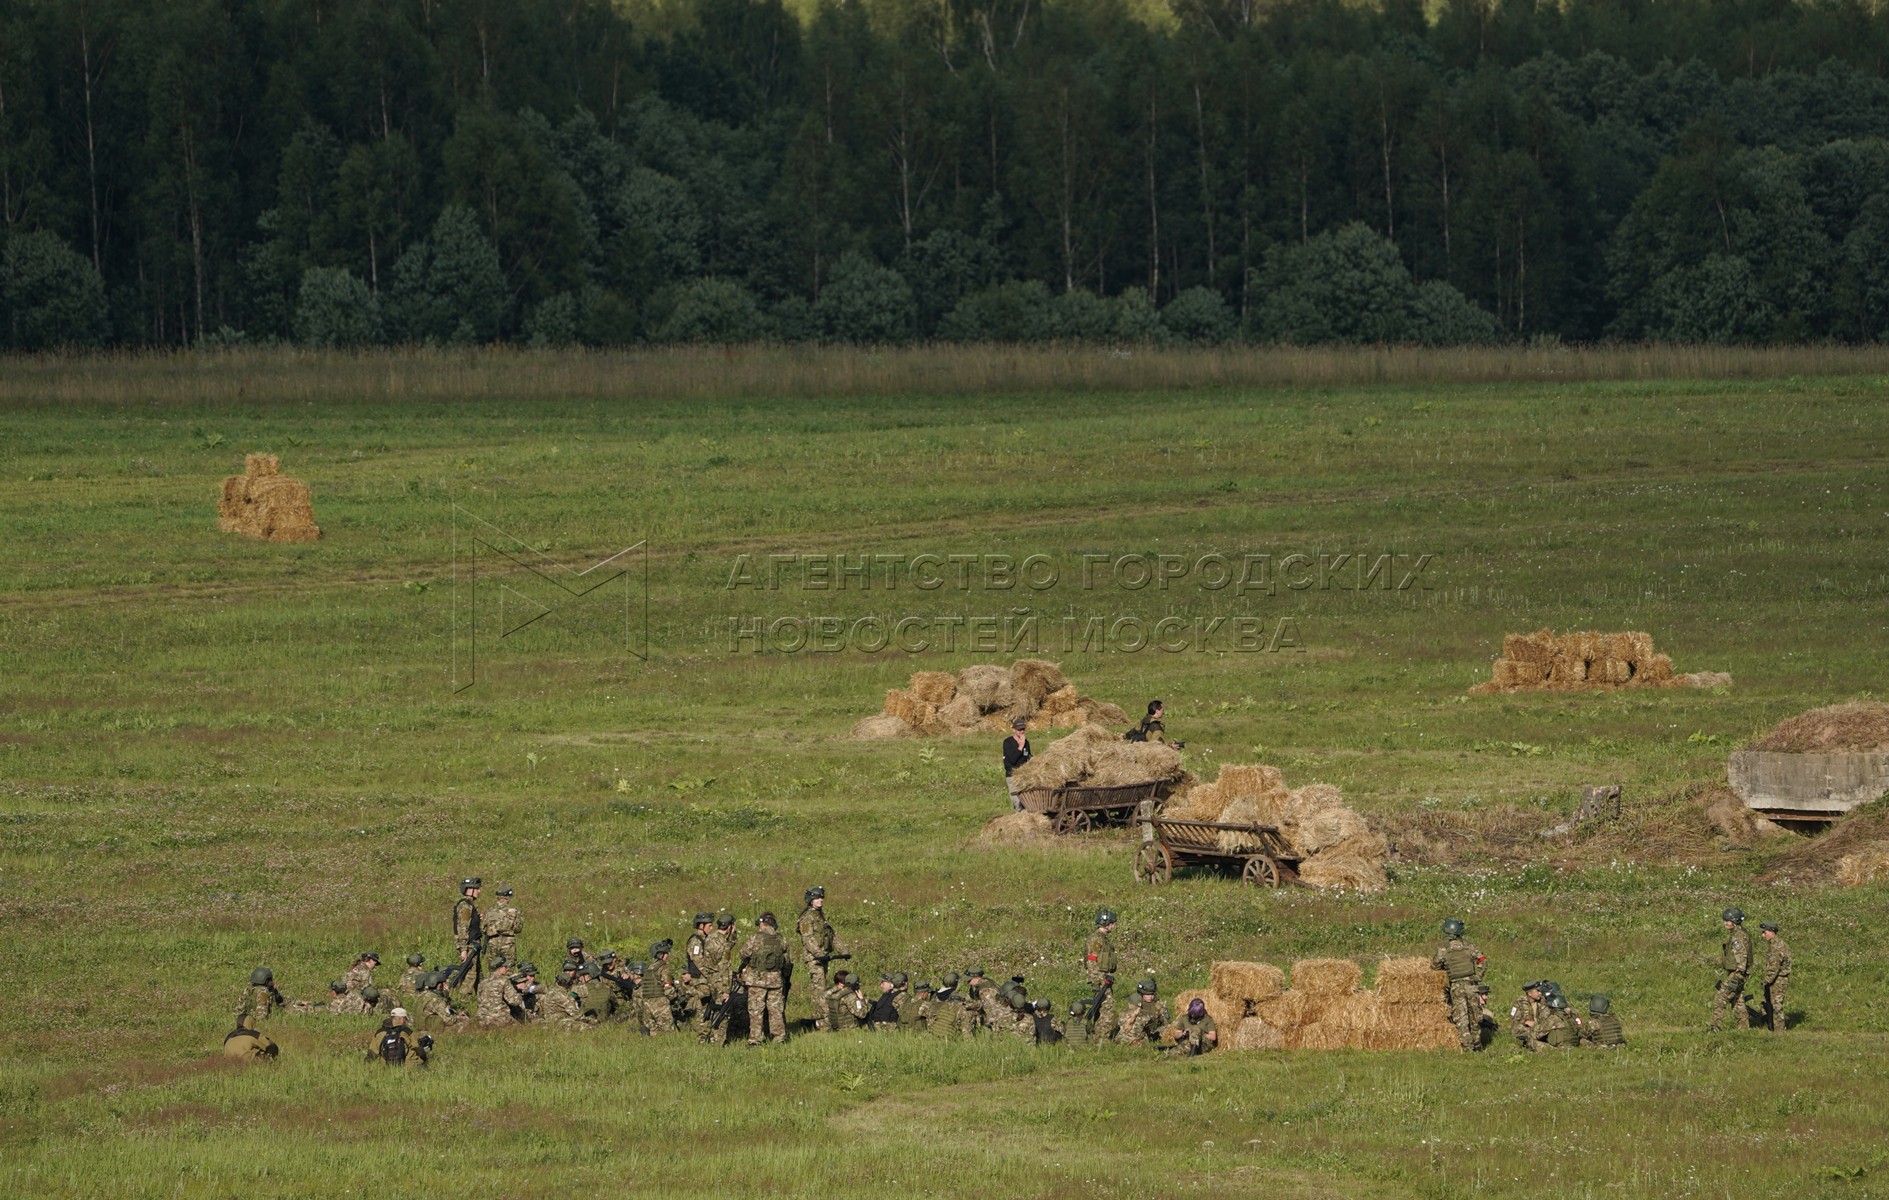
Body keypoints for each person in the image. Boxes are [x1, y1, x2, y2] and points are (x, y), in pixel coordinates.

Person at [1431, 918, 1487, 1052]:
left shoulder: (1443, 950)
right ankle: (1477, 1045)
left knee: (1461, 1018)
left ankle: (1468, 1048)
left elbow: (1434, 966)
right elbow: (1482, 961)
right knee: (1475, 1016)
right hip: (1472, 985)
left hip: (1456, 987)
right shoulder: (1469, 946)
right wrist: (1478, 976)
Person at [796, 887, 845, 1031]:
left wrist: (844, 950)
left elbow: (832, 935)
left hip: (823, 957)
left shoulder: (821, 916)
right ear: (811, 900)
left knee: (822, 987)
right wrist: (818, 953)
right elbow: (807, 939)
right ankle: (823, 1019)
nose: (820, 900)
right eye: (817, 898)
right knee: (820, 989)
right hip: (815, 959)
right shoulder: (806, 918)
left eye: (821, 897)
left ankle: (821, 1018)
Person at [739, 912, 791, 1045]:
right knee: (776, 1010)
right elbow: (786, 962)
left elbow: (743, 954)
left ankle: (755, 1039)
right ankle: (779, 1038)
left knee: (756, 1010)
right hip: (775, 980)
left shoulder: (755, 938)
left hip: (757, 980)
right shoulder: (781, 939)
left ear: (763, 924)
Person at [1712, 907, 1753, 1031]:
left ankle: (1715, 1027)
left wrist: (1738, 975)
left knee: (1720, 998)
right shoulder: (1738, 934)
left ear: (1734, 921)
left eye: (1727, 920)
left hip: (1737, 973)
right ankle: (1744, 1029)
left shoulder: (1738, 937)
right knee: (1738, 1001)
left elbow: (1742, 957)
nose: (1725, 923)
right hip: (1738, 973)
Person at [1084, 909, 1120, 1040]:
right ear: (1105, 923)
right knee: (1108, 1010)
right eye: (1112, 923)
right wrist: (1098, 981)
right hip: (1101, 981)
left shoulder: (1103, 939)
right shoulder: (1096, 940)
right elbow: (1092, 961)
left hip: (1105, 979)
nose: (1113, 926)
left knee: (1102, 1009)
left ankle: (1098, 1036)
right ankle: (1101, 1039)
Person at [366, 1008, 433, 1067]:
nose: (405, 1021)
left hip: (385, 1067)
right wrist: (425, 1059)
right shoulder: (407, 1031)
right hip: (408, 1067)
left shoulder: (380, 1032)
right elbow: (417, 1048)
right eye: (405, 1019)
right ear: (401, 1018)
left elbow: (372, 1052)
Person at [452, 877, 484, 990]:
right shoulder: (465, 906)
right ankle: (463, 1000)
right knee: (469, 976)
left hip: (474, 944)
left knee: (478, 975)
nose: (479, 891)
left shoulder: (470, 905)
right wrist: (464, 949)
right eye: (477, 889)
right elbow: (462, 927)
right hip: (469, 945)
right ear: (469, 890)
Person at [1760, 921, 1792, 1032]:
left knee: (1776, 1005)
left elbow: (1774, 967)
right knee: (1770, 1004)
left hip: (1778, 980)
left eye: (1765, 932)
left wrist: (1766, 981)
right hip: (1779, 978)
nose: (1763, 935)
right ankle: (1772, 1025)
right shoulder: (1779, 944)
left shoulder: (1776, 947)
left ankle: (1779, 1030)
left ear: (1772, 932)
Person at [1116, 978, 1168, 1046]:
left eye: (1152, 994)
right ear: (1141, 993)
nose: (1150, 997)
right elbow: (1126, 1019)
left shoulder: (1157, 1004)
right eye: (1147, 994)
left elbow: (1166, 1021)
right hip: (1135, 1030)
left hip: (1152, 1029)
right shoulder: (1135, 1001)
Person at [644, 940, 680, 1033]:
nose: (668, 955)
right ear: (661, 955)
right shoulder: (664, 968)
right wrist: (675, 999)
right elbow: (667, 987)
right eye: (666, 953)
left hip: (647, 1003)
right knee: (668, 1033)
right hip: (660, 1003)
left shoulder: (649, 968)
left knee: (654, 1033)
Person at [476, 960, 525, 1027]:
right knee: (521, 1028)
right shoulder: (504, 981)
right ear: (499, 968)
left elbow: (479, 1002)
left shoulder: (482, 983)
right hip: (500, 1018)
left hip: (482, 1018)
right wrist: (520, 994)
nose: (507, 969)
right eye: (505, 967)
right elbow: (514, 1001)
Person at [484, 886, 522, 968]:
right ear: (508, 897)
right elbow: (518, 928)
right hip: (508, 943)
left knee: (493, 969)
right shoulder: (513, 911)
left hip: (492, 942)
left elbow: (483, 928)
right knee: (508, 970)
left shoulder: (489, 911)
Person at [1003, 718, 1032, 810]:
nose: (1021, 731)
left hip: (1024, 775)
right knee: (1017, 802)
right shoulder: (1008, 742)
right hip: (1013, 776)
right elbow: (1012, 759)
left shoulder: (1026, 742)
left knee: (1027, 802)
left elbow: (1028, 757)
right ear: (1014, 730)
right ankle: (1018, 821)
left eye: (1023, 729)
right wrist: (1020, 746)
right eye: (1019, 730)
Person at [1510, 981, 1547, 1051]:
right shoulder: (1520, 1002)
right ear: (1529, 993)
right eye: (1537, 991)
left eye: (1540, 991)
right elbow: (1513, 1017)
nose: (1540, 993)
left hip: (1539, 1027)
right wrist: (1525, 1021)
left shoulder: (1543, 1001)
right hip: (1525, 1028)